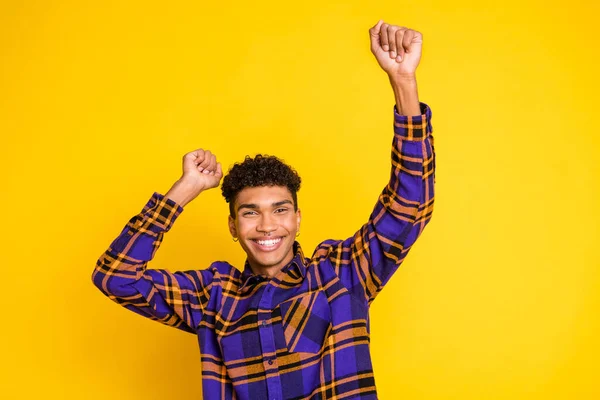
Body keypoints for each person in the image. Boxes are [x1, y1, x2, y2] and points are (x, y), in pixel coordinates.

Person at [92, 19, 435, 400]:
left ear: (298, 219)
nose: (267, 226)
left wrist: (403, 82)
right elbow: (115, 276)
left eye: (280, 210)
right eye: (250, 213)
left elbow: (409, 208)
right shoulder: (212, 297)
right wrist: (185, 189)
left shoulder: (342, 273)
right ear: (233, 226)